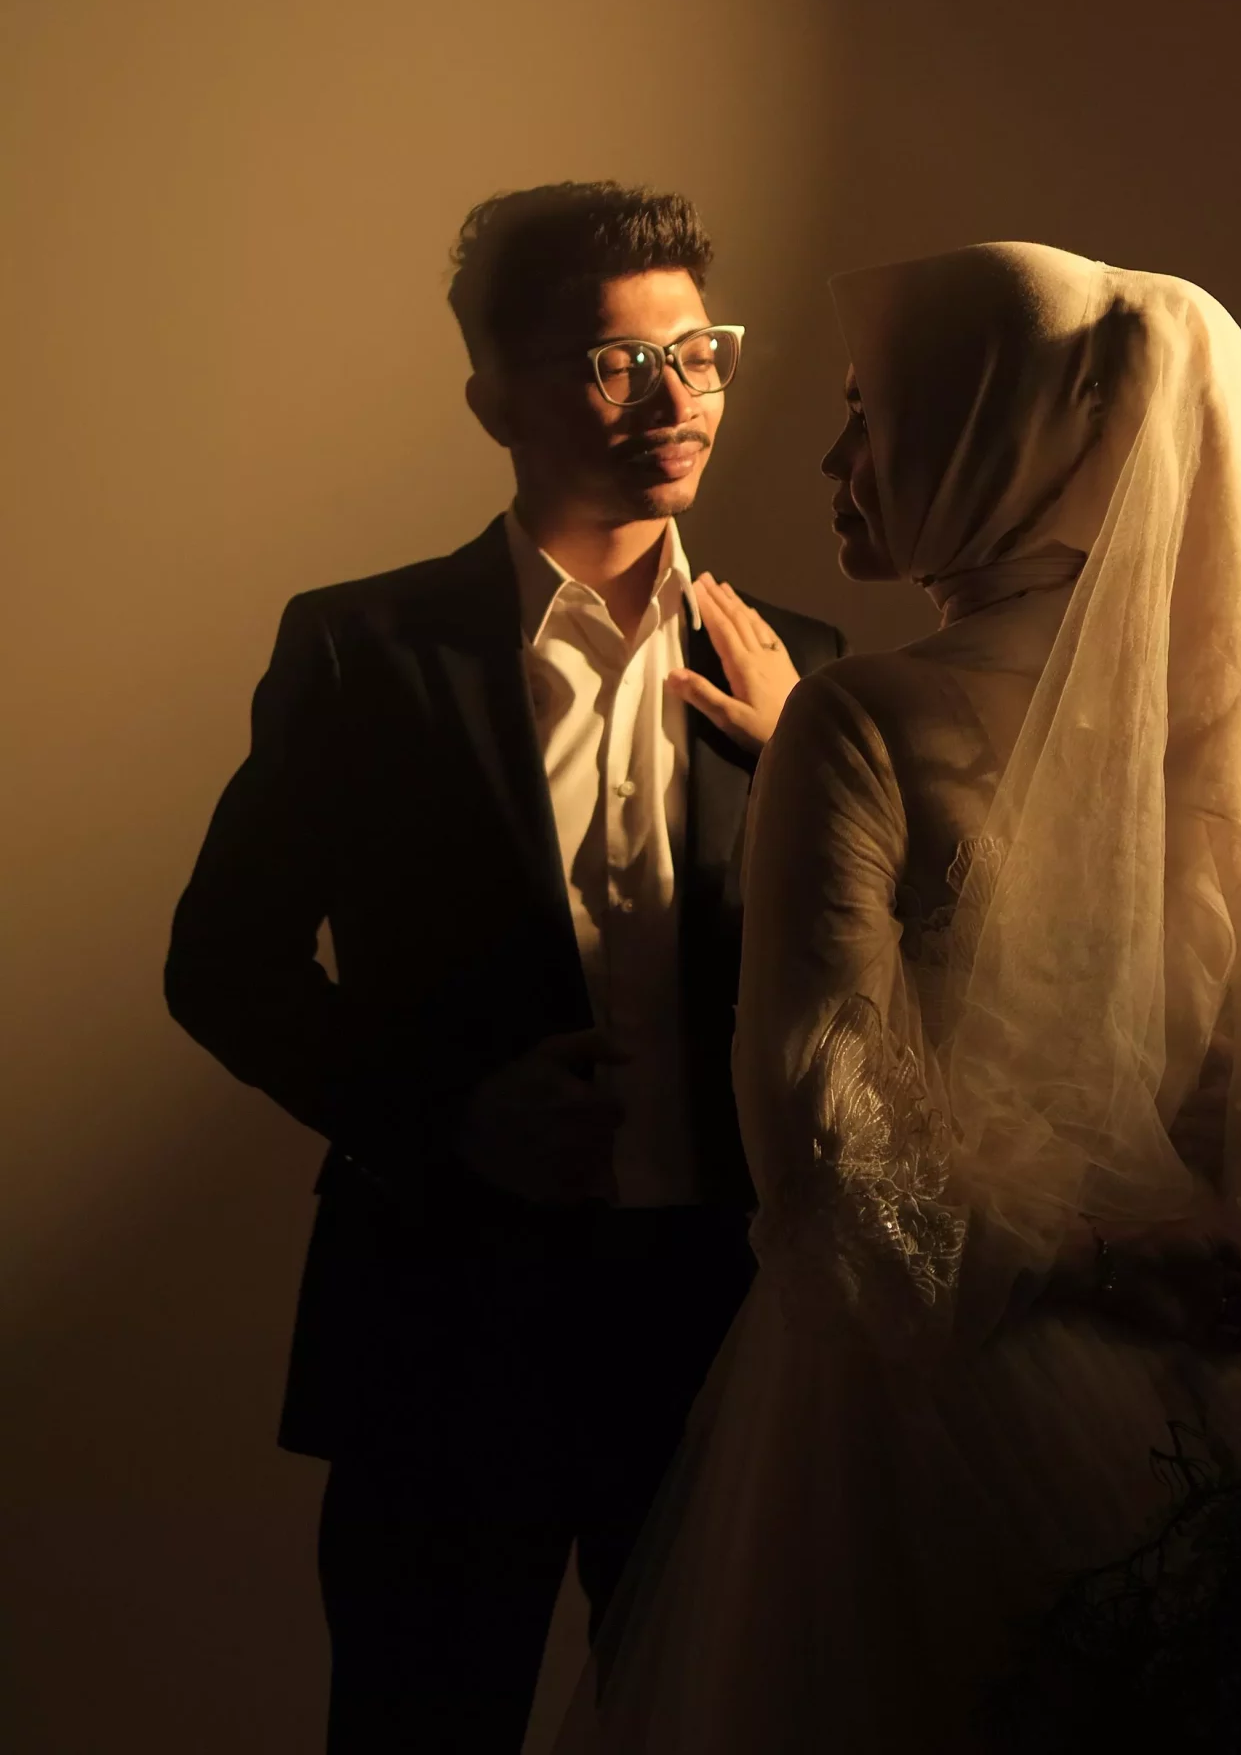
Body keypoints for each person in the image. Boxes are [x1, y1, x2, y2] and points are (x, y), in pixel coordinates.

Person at [563, 241, 1241, 1753]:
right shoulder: (1234, 723)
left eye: (871, 412)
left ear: (998, 437)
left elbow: (826, 1162)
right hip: (1205, 1383)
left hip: (932, 1393)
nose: (834, 460)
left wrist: (1072, 1261)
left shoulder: (859, 716)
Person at [165, 180, 843, 1755]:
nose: (675, 400)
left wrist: (806, 757)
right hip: (446, 1322)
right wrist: (451, 1111)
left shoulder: (795, 664)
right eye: (616, 363)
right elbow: (222, 963)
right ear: (495, 400)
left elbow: (876, 974)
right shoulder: (365, 650)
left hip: (724, 1326)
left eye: (699, 353)